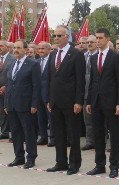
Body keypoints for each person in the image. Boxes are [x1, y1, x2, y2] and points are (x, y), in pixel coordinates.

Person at [46, 25, 85, 174]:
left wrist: (78, 101)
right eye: (54, 36)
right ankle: (61, 162)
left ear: (66, 37)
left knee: (73, 134)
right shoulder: (53, 54)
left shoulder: (76, 54)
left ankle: (74, 163)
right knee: (59, 134)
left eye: (59, 36)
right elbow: (51, 79)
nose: (56, 38)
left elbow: (80, 80)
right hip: (56, 101)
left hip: (71, 102)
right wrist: (50, 99)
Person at [85, 28, 119, 178]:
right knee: (98, 134)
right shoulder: (94, 58)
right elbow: (93, 81)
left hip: (112, 102)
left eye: (100, 38)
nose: (98, 41)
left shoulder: (115, 57)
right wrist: (89, 100)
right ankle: (99, 165)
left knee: (114, 135)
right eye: (97, 38)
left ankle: (114, 166)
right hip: (96, 102)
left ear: (107, 39)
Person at [5, 40, 40, 168]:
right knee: (15, 132)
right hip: (12, 104)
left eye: (19, 48)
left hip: (26, 104)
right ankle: (18, 157)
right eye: (14, 48)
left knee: (28, 132)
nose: (16, 50)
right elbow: (9, 84)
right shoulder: (13, 63)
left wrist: (34, 104)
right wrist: (6, 104)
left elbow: (36, 86)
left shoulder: (33, 64)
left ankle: (31, 157)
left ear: (25, 49)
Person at [0, 40, 15, 141]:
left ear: (7, 47)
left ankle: (14, 134)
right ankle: (4, 132)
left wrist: (6, 86)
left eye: (1, 46)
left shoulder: (13, 58)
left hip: (9, 90)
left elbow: (14, 75)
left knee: (10, 112)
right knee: (1, 112)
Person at [36, 42, 54, 147]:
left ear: (48, 49)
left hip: (49, 95)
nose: (40, 51)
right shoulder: (36, 62)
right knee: (40, 118)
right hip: (38, 95)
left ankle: (53, 138)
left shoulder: (52, 62)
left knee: (51, 118)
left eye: (43, 48)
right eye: (39, 49)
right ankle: (43, 137)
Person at [82, 34, 98, 151]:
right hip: (85, 92)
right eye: (88, 42)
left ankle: (100, 141)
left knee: (99, 119)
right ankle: (89, 141)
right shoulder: (82, 56)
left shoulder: (100, 56)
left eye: (92, 42)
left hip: (97, 92)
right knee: (87, 120)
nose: (89, 44)